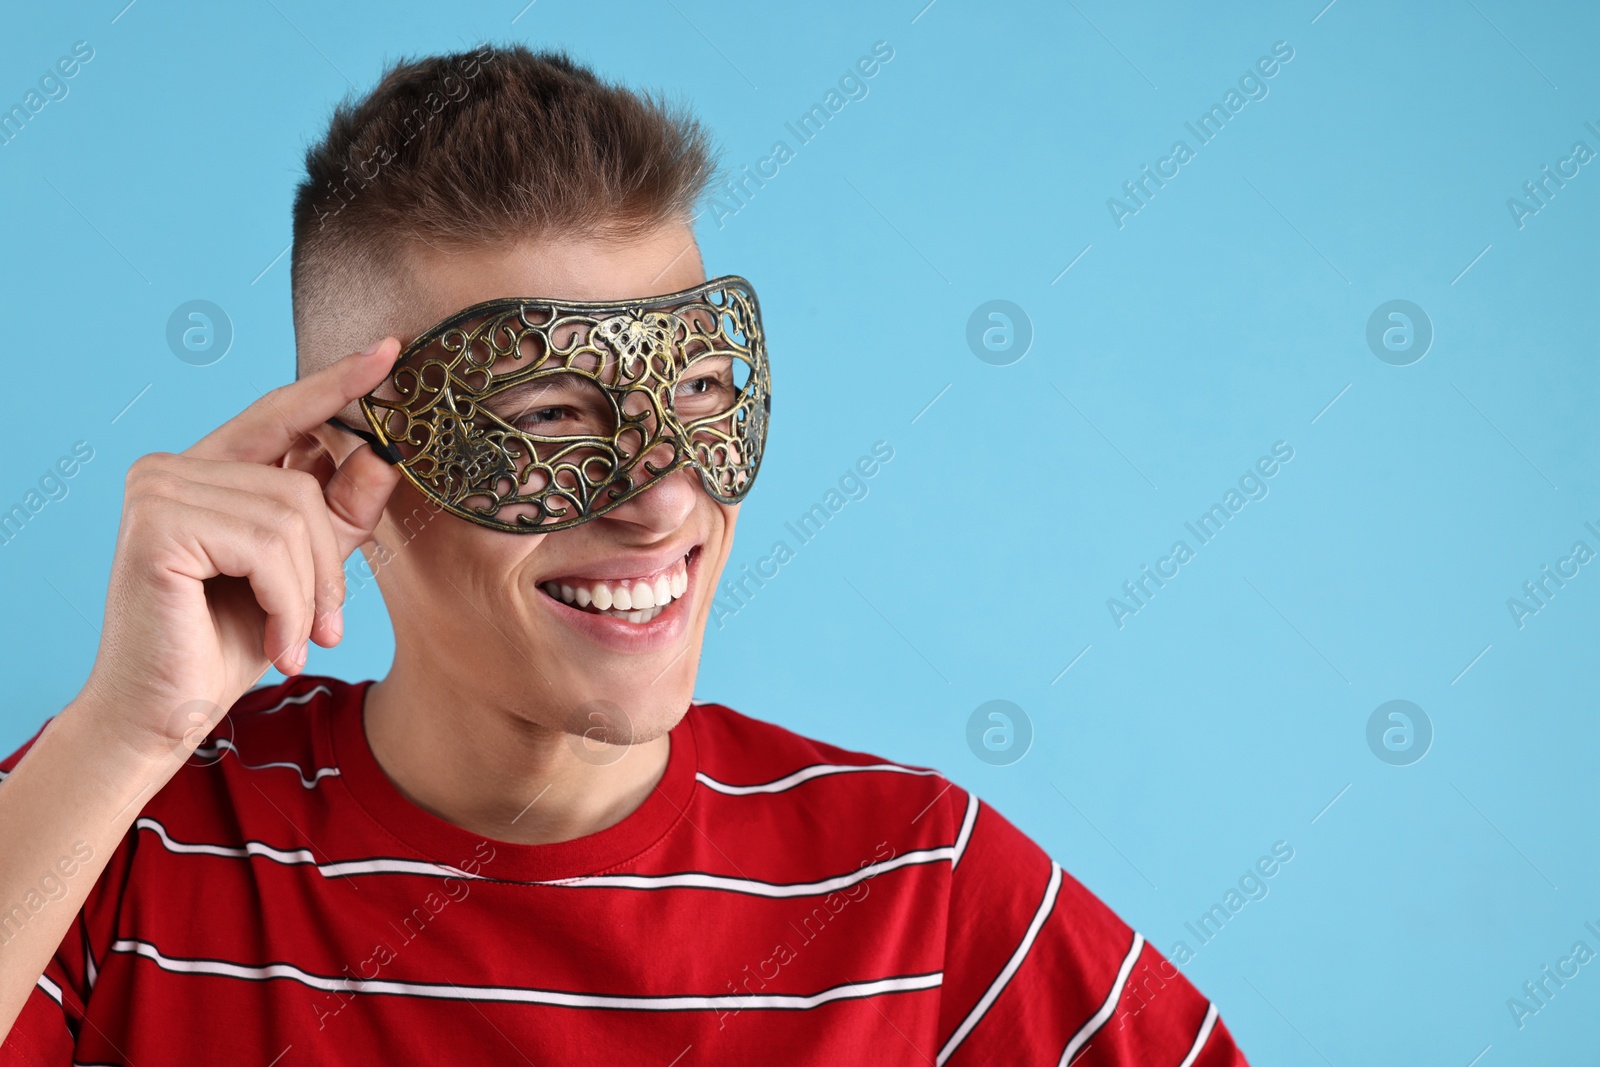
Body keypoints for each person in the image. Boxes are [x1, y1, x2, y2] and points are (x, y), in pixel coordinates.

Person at [0, 45, 1249, 1064]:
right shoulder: (117, 844)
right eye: (548, 416)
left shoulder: (921, 889)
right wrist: (125, 730)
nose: (662, 498)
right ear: (341, 473)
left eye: (699, 387)